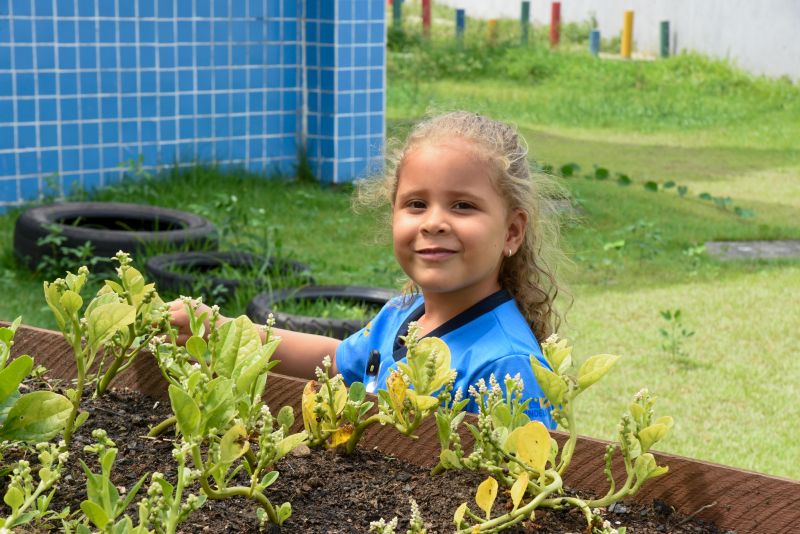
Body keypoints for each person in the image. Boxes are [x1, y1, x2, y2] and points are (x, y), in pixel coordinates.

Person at [169, 111, 565, 428]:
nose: (433, 222)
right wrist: (223, 333)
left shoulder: (506, 364)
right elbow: (336, 361)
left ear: (512, 231)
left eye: (463, 205)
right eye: (416, 204)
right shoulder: (400, 316)